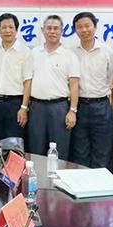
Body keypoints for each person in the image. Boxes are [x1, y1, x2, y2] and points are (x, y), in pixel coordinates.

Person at [27, 15, 79, 159]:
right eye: (49, 28)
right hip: (36, 108)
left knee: (59, 150)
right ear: (43, 30)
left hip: (59, 108)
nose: (52, 31)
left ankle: (57, 175)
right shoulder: (34, 53)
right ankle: (37, 174)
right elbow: (28, 81)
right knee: (36, 149)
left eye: (56, 28)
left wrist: (72, 111)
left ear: (62, 31)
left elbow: (74, 85)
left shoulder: (69, 55)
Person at [70, 12, 113, 168]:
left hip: (101, 106)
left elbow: (111, 79)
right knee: (80, 152)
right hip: (79, 107)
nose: (84, 30)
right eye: (80, 27)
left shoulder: (107, 51)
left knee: (101, 152)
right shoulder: (71, 52)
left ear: (95, 27)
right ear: (75, 30)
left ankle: (99, 182)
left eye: (87, 26)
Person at [0, 13, 32, 142]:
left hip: (15, 104)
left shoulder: (25, 52)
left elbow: (28, 82)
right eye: (4, 27)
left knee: (13, 144)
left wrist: (24, 108)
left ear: (16, 30)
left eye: (11, 27)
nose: (7, 30)